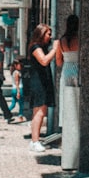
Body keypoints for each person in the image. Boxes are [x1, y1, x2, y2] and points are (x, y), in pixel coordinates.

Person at [27, 23, 58, 153]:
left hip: (43, 81)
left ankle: (35, 140)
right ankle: (35, 141)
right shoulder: (35, 47)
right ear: (41, 34)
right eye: (48, 34)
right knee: (39, 112)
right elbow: (44, 61)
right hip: (38, 83)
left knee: (39, 112)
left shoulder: (42, 47)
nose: (50, 37)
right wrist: (55, 50)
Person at [56, 14, 80, 168]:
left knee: (67, 104)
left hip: (66, 70)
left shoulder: (61, 41)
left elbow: (58, 61)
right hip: (78, 69)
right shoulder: (80, 39)